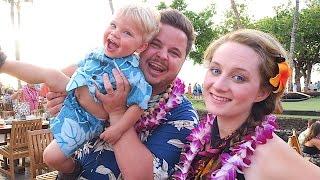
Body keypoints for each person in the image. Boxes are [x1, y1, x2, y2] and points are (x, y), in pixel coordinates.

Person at [0, 4, 160, 174]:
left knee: (50, 157)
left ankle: (73, 170)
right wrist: (51, 82)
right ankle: (4, 63)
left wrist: (118, 129)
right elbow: (75, 68)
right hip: (76, 96)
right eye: (113, 25)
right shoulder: (97, 53)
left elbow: (138, 106)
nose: (115, 33)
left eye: (127, 32)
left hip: (92, 116)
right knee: (51, 74)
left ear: (141, 46)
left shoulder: (134, 74)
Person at [45, 8, 198, 179]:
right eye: (156, 44)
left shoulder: (183, 117)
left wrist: (117, 112)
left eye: (174, 52)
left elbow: (141, 177)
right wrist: (65, 99)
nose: (162, 55)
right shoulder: (105, 74)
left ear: (183, 62)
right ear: (141, 45)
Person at [173, 29, 320, 180]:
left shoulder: (267, 154)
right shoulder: (204, 138)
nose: (218, 85)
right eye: (216, 70)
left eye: (238, 77)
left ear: (262, 92)